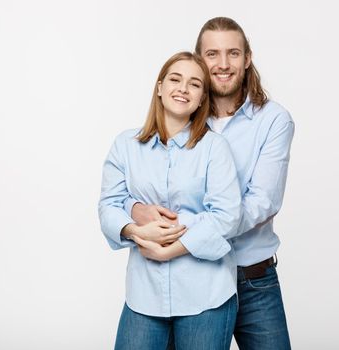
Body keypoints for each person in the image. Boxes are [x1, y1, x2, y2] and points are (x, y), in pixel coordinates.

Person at [126, 18, 295, 349]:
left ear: (247, 58)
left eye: (233, 53)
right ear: (199, 60)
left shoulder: (274, 120)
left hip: (251, 278)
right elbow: (146, 184)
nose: (223, 64)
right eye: (212, 54)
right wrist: (137, 210)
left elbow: (262, 201)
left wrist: (187, 230)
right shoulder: (178, 117)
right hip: (189, 274)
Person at [98, 51, 241, 350]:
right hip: (144, 294)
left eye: (194, 84)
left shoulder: (215, 148)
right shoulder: (126, 145)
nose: (183, 88)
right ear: (160, 87)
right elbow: (109, 205)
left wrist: (168, 247)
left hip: (206, 296)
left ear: (202, 98)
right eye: (175, 79)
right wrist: (136, 230)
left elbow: (227, 215)